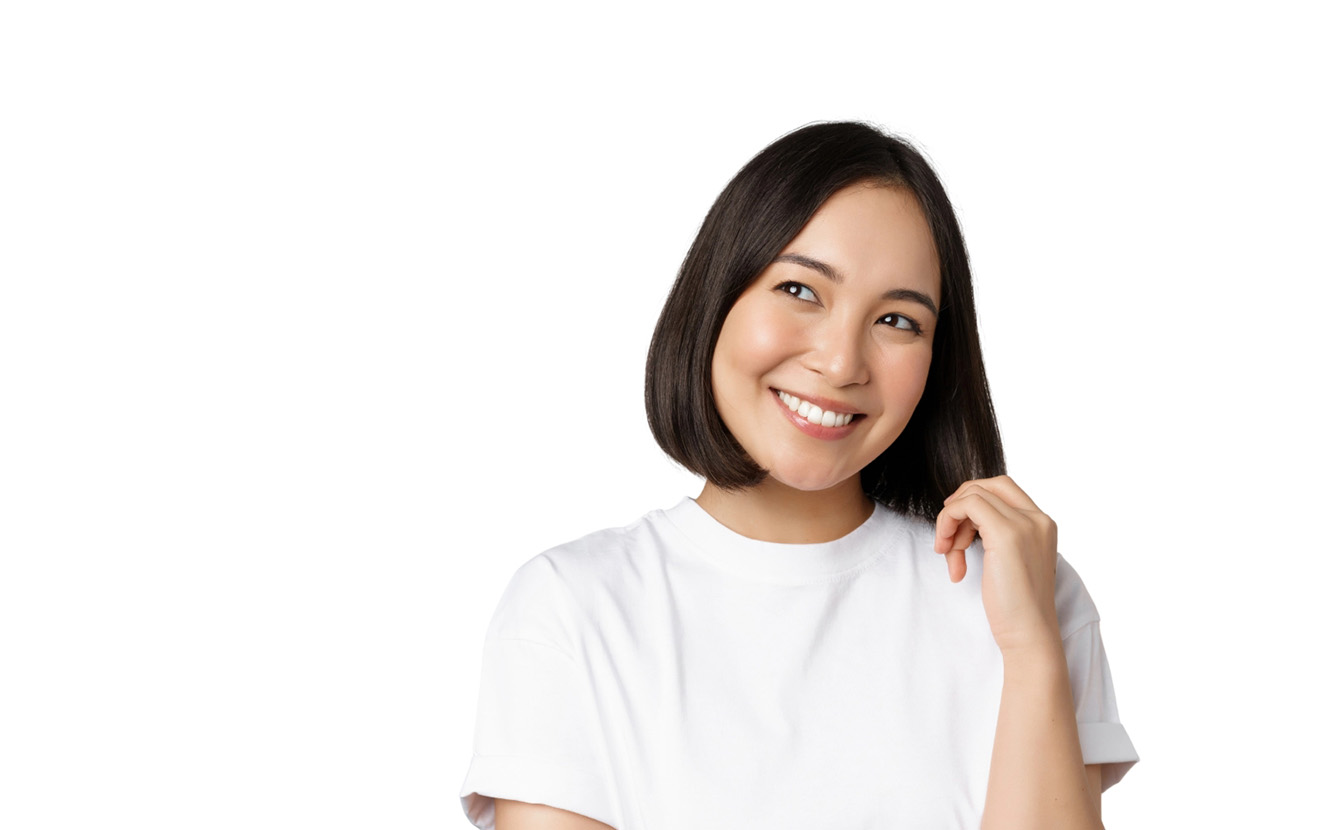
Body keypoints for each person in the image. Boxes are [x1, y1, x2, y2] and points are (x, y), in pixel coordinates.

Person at [456, 122, 1139, 830]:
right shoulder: (571, 607)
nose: (841, 364)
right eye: (800, 289)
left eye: (898, 321)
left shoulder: (1028, 592)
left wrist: (1031, 653)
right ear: (717, 297)